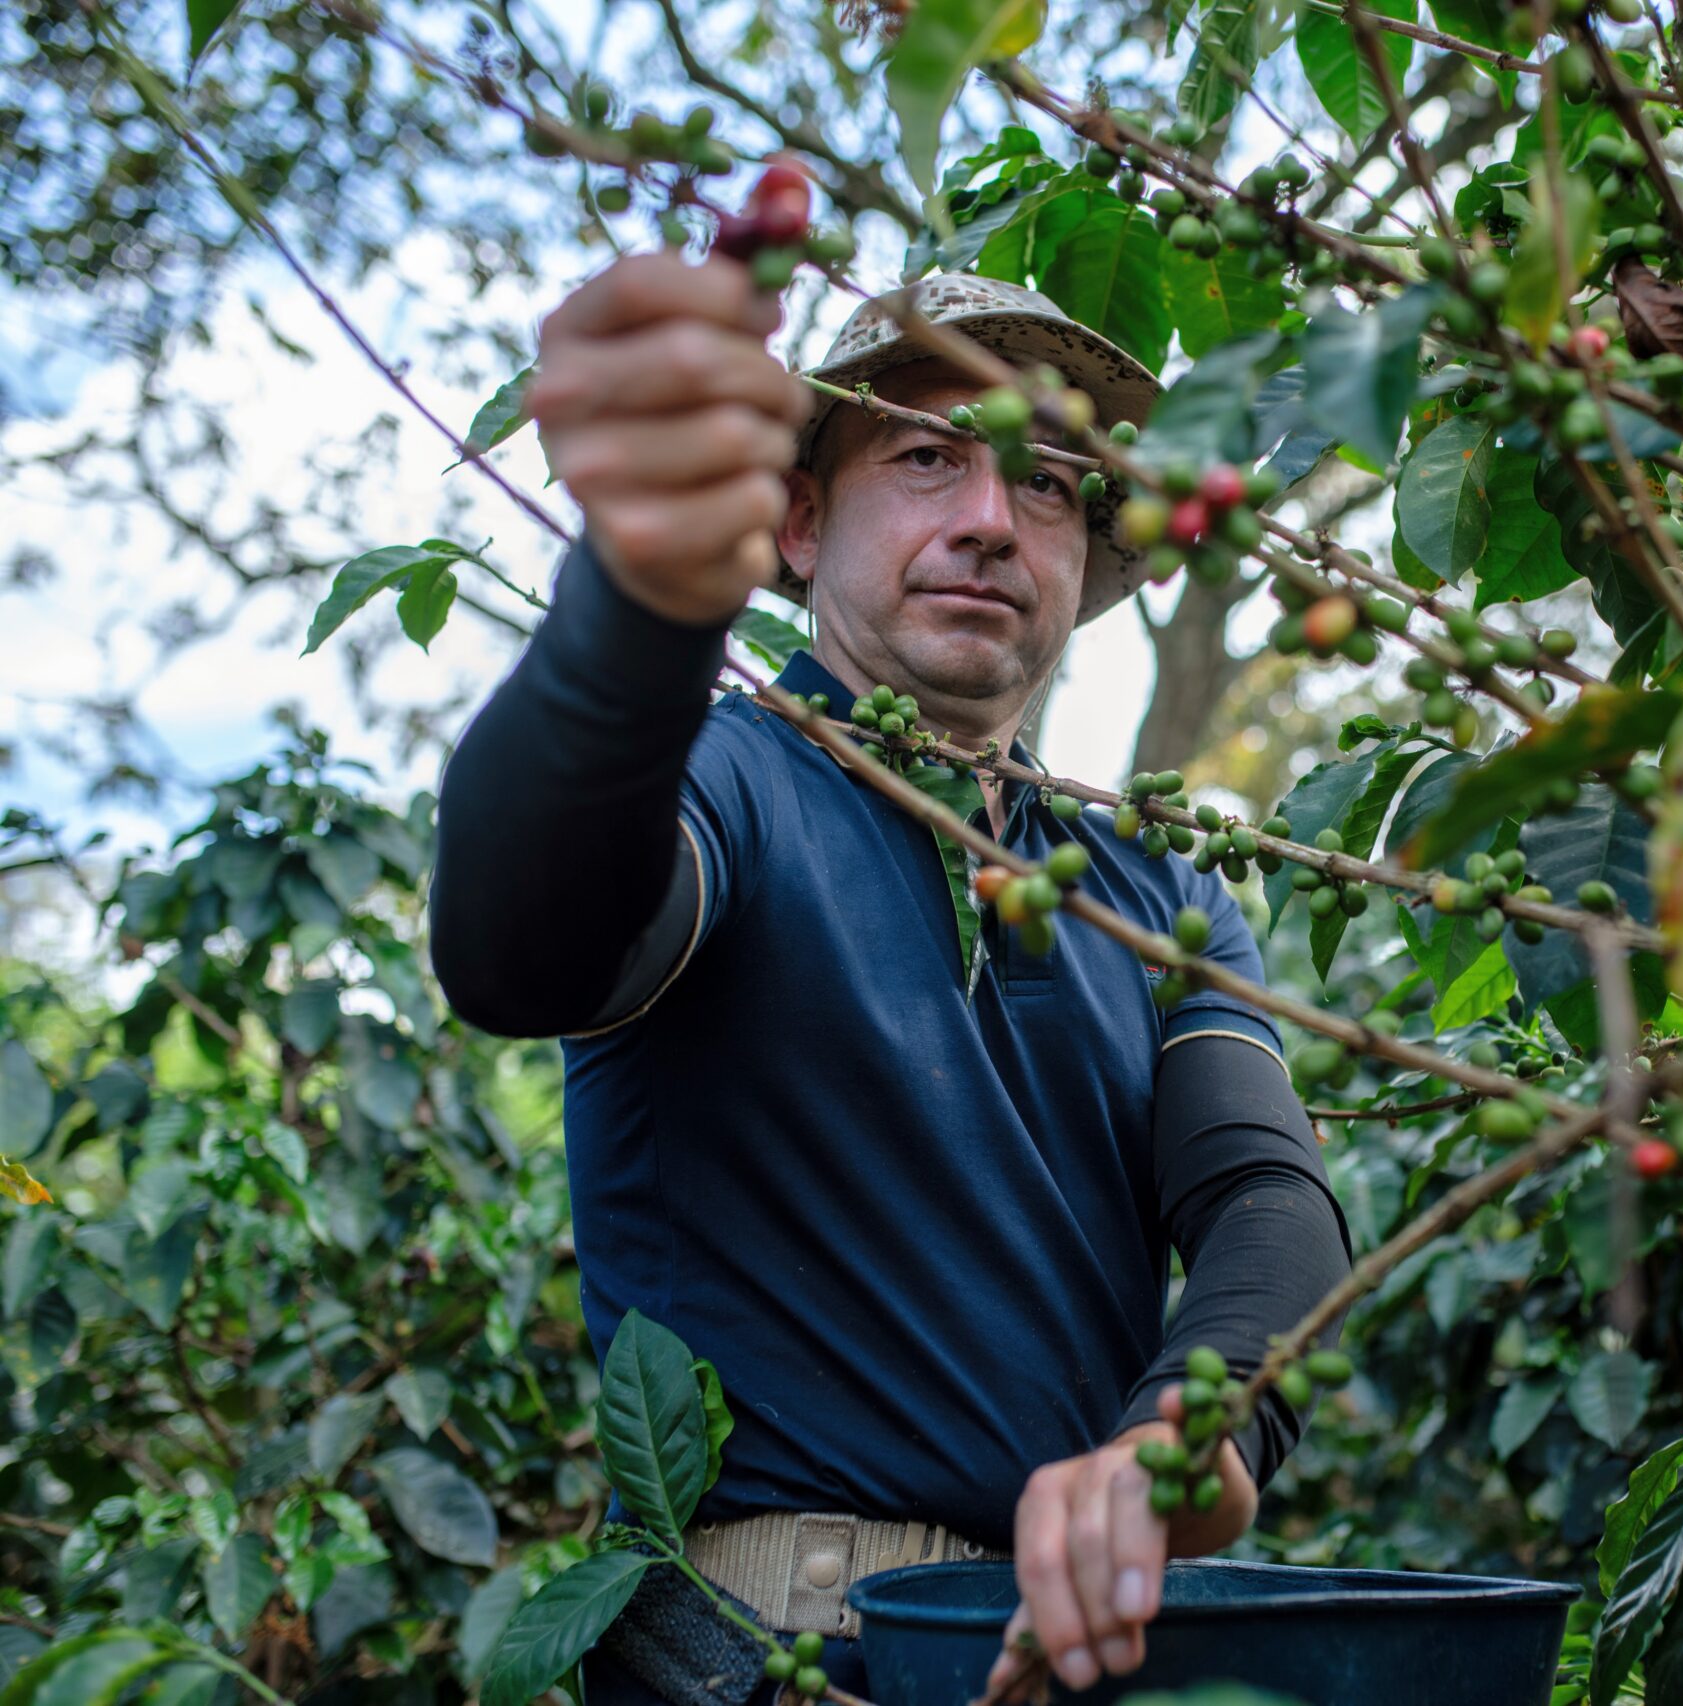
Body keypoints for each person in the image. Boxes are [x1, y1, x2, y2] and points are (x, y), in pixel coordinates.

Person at [428, 247, 1354, 1706]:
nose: (992, 517)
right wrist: (631, 620)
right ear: (795, 520)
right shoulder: (726, 786)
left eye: (1047, 480)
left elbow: (1263, 1195)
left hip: (1086, 1658)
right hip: (781, 1659)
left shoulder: (1152, 883)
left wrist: (1180, 1435)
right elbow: (527, 939)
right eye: (929, 457)